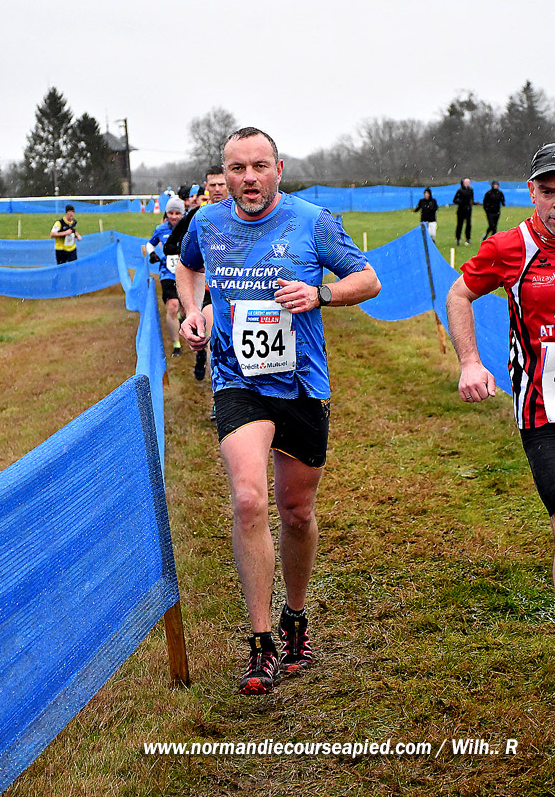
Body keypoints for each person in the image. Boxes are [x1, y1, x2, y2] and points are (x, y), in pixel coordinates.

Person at [176, 126, 381, 695]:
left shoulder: (312, 221)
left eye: (259, 166)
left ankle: (295, 618)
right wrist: (192, 312)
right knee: (248, 499)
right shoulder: (206, 223)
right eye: (237, 168)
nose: (248, 178)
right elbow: (186, 266)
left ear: (278, 170)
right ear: (224, 173)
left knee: (295, 511)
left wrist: (320, 294)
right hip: (237, 380)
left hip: (301, 385)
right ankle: (261, 640)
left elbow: (368, 279)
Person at [446, 141, 555, 712]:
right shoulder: (512, 247)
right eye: (548, 192)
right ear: (531, 193)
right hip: (546, 413)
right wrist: (470, 361)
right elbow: (459, 292)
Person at [164, 166, 228, 383]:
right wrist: (192, 252)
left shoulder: (244, 212)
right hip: (208, 287)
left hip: (239, 288)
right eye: (213, 185)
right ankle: (219, 392)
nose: (217, 189)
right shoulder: (196, 215)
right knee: (214, 337)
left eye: (221, 184)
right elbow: (170, 246)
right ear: (206, 187)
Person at [146, 197, 185, 357]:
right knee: (172, 306)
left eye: (177, 213)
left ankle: (184, 322)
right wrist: (152, 254)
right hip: (167, 273)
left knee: (185, 310)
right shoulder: (161, 229)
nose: (174, 217)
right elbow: (150, 244)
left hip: (186, 273)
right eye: (171, 213)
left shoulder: (189, 227)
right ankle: (176, 345)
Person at [453, 178, 474, 245]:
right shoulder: (460, 191)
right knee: (460, 225)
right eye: (466, 182)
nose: (467, 184)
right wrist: (460, 202)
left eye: (468, 182)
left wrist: (470, 204)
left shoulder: (470, 190)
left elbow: (472, 199)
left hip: (468, 210)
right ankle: (458, 239)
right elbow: (454, 200)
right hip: (461, 210)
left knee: (468, 224)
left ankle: (468, 238)